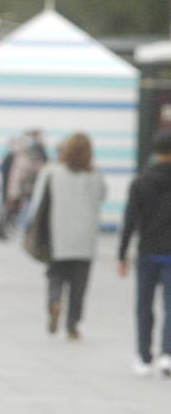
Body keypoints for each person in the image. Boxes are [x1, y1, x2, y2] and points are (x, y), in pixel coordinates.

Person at [29, 133, 105, 340]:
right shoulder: (95, 174)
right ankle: (72, 325)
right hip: (85, 239)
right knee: (79, 285)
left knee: (55, 276)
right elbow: (101, 197)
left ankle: (54, 303)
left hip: (58, 235)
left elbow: (37, 202)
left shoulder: (51, 171)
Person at [118, 127, 171, 377]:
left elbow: (129, 221)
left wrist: (121, 255)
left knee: (144, 305)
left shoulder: (140, 181)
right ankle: (168, 355)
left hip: (147, 252)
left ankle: (143, 356)